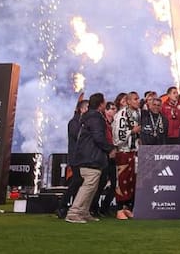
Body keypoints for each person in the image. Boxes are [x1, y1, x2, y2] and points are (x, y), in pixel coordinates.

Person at [65, 93, 115, 224]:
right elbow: (98, 137)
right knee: (88, 185)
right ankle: (74, 212)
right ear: (101, 104)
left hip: (87, 156)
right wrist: (110, 148)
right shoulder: (96, 118)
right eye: (104, 102)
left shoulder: (88, 117)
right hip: (91, 157)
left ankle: (83, 212)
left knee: (91, 186)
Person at [57, 99, 88, 219]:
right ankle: (63, 205)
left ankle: (71, 206)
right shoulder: (74, 122)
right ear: (82, 109)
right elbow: (78, 137)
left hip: (81, 157)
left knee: (78, 182)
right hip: (76, 158)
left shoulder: (80, 122)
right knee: (76, 181)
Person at [112, 91, 140, 217]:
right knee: (122, 179)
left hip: (134, 152)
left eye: (138, 99)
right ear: (128, 101)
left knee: (132, 180)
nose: (138, 101)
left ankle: (127, 206)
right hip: (123, 152)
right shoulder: (121, 115)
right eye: (135, 99)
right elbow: (118, 136)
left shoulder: (138, 113)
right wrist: (132, 131)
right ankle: (119, 209)